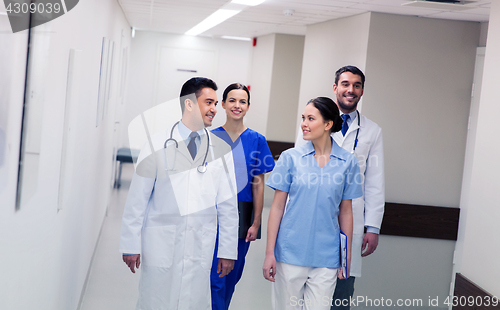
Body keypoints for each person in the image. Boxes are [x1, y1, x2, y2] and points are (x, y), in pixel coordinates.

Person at [119, 77, 239, 310]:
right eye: (209, 102)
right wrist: (130, 244)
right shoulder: (156, 144)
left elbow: (228, 206)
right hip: (161, 242)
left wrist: (227, 250)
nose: (215, 109)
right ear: (189, 104)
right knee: (156, 299)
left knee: (193, 301)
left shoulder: (221, 150)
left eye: (216, 103)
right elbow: (137, 199)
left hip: (199, 244)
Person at [295, 66, 385, 309]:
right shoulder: (312, 121)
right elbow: (299, 171)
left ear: (362, 90)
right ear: (335, 88)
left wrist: (373, 226)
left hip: (351, 219)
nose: (351, 90)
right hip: (314, 218)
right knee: (306, 293)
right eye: (345, 84)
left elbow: (375, 182)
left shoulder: (372, 131)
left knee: (341, 294)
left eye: (356, 85)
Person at [263, 97, 363, 310]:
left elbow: (346, 212)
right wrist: (269, 253)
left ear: (327, 124)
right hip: (289, 253)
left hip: (326, 258)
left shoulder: (348, 162)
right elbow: (277, 208)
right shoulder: (290, 158)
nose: (304, 124)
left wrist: (346, 259)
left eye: (310, 118)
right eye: (303, 118)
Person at [209, 83, 275, 310]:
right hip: (212, 215)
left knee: (231, 276)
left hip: (242, 216)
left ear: (248, 107)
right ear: (224, 104)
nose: (237, 105)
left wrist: (256, 222)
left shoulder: (257, 140)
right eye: (232, 101)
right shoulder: (209, 138)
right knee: (213, 278)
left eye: (242, 101)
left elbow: (258, 184)